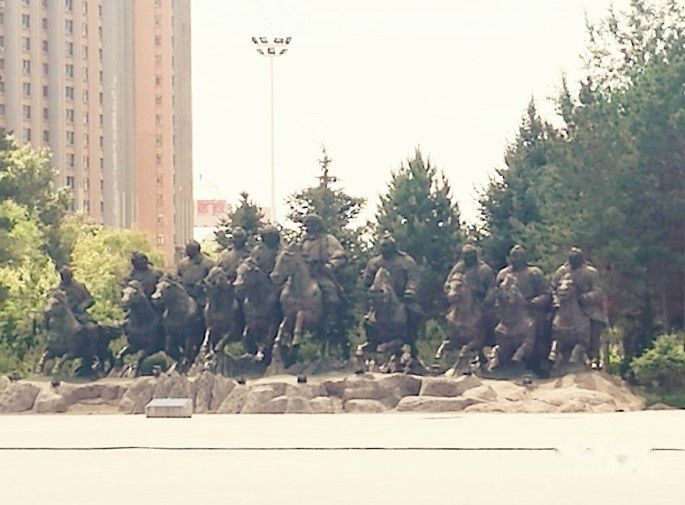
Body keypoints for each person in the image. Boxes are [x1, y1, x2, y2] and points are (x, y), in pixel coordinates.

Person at [551, 247, 608, 365]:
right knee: (548, 320)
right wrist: (555, 300)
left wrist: (585, 298)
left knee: (595, 322)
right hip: (563, 304)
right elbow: (552, 288)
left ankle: (594, 354)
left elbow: (598, 291)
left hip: (587, 307)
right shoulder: (561, 271)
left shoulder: (590, 272)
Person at [496, 245, 551, 364]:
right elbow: (498, 292)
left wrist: (535, 301)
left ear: (525, 257)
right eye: (513, 256)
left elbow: (546, 293)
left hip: (529, 307)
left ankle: (541, 354)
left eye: (518, 256)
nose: (515, 259)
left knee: (539, 326)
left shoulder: (534, 273)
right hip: (509, 310)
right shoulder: (503, 274)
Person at [363, 234, 422, 343]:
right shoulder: (374, 263)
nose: (384, 248)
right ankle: (371, 340)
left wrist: (410, 290)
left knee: (414, 312)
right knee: (368, 318)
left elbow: (414, 278)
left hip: (402, 297)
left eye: (387, 246)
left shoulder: (406, 261)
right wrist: (369, 289)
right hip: (379, 298)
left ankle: (410, 341)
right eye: (383, 246)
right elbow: (368, 280)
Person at [300, 214, 347, 318]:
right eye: (308, 225)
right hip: (303, 274)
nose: (310, 228)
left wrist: (330, 266)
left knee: (330, 293)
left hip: (320, 273)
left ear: (319, 225)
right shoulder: (302, 242)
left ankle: (330, 319)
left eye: (312, 225)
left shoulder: (328, 239)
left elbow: (339, 255)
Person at [177, 240, 214, 308]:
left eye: (188, 249)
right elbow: (178, 276)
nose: (186, 251)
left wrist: (203, 283)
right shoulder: (182, 263)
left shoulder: (208, 262)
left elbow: (212, 278)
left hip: (202, 294)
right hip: (185, 293)